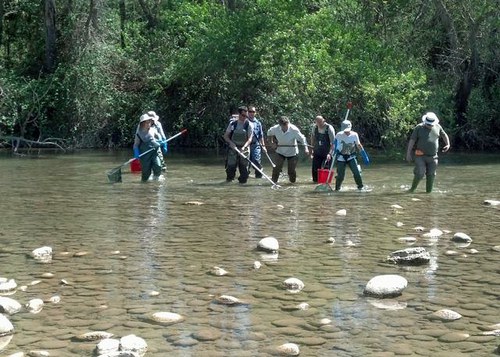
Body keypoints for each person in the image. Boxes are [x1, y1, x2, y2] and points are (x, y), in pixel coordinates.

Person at [406, 112, 450, 193]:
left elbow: (444, 135)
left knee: (431, 175)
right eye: (428, 124)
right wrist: (408, 153)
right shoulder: (419, 128)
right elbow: (412, 140)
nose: (430, 126)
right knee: (420, 173)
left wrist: (448, 144)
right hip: (420, 156)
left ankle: (428, 194)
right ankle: (412, 190)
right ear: (425, 122)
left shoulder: (438, 126)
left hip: (433, 157)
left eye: (431, 124)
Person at [267, 116, 309, 184]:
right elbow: (269, 133)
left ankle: (292, 184)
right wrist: (271, 143)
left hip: (292, 152)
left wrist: (306, 148)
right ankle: (273, 183)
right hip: (280, 151)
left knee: (291, 171)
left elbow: (302, 139)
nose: (286, 127)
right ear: (280, 125)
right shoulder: (275, 128)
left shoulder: (294, 129)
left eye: (287, 125)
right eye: (284, 126)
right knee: (276, 169)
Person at [334, 120, 367, 191]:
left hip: (351, 156)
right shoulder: (338, 135)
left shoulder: (354, 135)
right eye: (345, 131)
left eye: (348, 130)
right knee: (340, 176)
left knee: (357, 173)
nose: (347, 132)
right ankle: (337, 189)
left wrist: (364, 155)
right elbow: (334, 145)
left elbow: (358, 145)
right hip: (341, 157)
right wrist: (331, 153)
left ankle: (360, 187)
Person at [223, 106, 254, 183]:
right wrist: (231, 143)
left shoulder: (249, 125)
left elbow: (250, 139)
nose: (245, 117)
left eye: (246, 116)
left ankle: (242, 186)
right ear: (239, 114)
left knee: (244, 172)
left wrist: (244, 147)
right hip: (233, 149)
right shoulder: (233, 124)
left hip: (245, 149)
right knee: (230, 169)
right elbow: (226, 136)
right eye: (243, 115)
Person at [133, 113, 164, 182]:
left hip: (154, 152)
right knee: (146, 173)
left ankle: (156, 181)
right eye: (146, 122)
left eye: (149, 121)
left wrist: (161, 141)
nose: (148, 123)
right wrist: (136, 153)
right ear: (142, 124)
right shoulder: (139, 133)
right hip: (145, 155)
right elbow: (136, 145)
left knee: (158, 166)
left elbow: (158, 136)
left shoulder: (153, 130)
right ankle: (144, 186)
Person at [310, 115, 336, 182]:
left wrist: (330, 154)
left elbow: (333, 143)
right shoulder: (314, 127)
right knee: (315, 170)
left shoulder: (329, 128)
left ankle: (325, 183)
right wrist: (312, 149)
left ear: (323, 121)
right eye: (317, 122)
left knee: (326, 170)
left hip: (327, 152)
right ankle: (315, 183)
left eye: (320, 122)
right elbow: (312, 138)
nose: (319, 124)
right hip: (317, 151)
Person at [247, 106, 267, 178]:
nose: (251, 113)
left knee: (256, 160)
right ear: (247, 112)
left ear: (255, 113)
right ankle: (246, 175)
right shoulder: (245, 122)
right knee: (246, 163)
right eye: (250, 111)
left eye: (253, 112)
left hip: (256, 145)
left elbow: (261, 135)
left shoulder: (258, 123)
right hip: (246, 145)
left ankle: (259, 175)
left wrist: (263, 146)